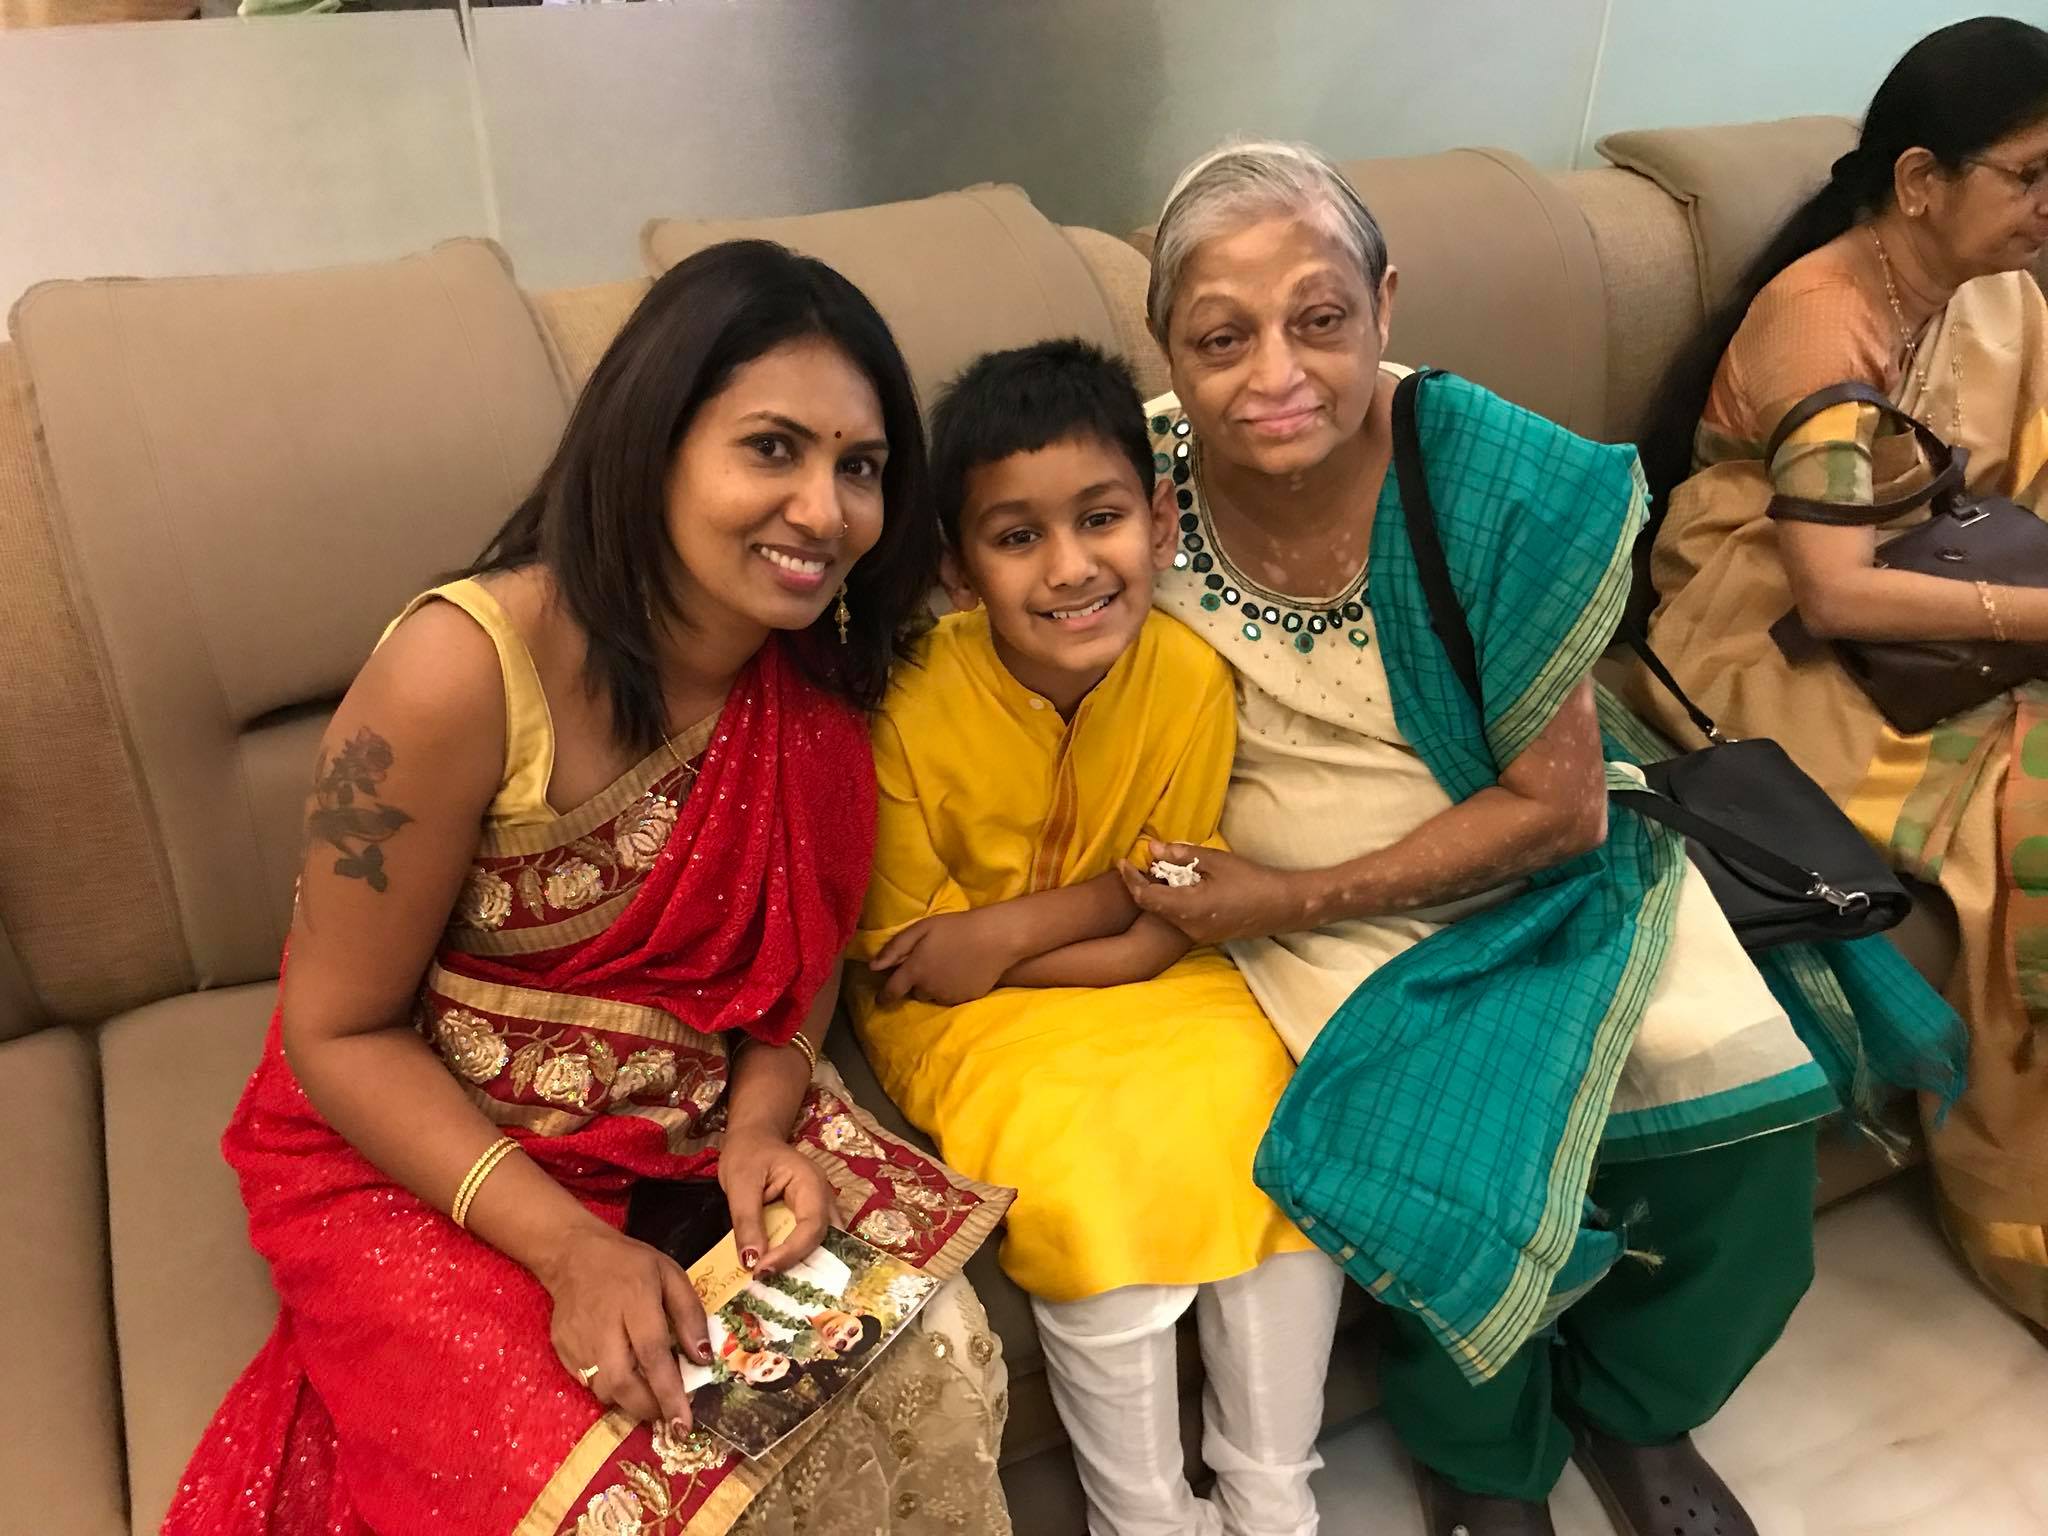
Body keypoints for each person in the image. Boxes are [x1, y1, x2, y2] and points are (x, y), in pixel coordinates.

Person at [1120, 142, 1966, 1536]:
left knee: (1745, 1132)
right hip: (1295, 884)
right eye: (1221, 338)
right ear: (1167, 346)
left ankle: (1633, 1406)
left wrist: (1284, 897)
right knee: (1438, 1148)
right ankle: (1484, 1459)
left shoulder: (1487, 473)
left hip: (1527, 847)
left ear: (1385, 305)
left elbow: (1560, 807)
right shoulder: (1129, 481)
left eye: (1319, 319)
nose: (1274, 373)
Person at [164, 240, 1013, 1536]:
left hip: (684, 1120)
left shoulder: (810, 690)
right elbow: (335, 1033)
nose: (825, 510)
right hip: (423, 1140)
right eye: (772, 449)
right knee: (618, 1503)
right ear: (651, 445)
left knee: (929, 1357)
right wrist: (569, 1250)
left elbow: (794, 971)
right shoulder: (456, 673)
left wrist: (759, 1130)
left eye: (861, 467)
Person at [844, 339, 1345, 1536]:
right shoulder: (901, 706)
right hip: (973, 1025)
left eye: (1100, 519)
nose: (1069, 568)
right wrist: (1102, 927)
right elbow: (919, 959)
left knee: (1288, 1128)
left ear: (1159, 522)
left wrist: (1015, 928)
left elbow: (1175, 899)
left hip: (1168, 980)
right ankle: (1144, 1518)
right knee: (1078, 1178)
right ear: (956, 568)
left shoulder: (1185, 678)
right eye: (1018, 537)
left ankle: (1271, 1499)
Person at [1630, 18, 2048, 1331]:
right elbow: (1833, 590)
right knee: (2027, 814)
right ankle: (2023, 1211)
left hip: (1949, 603)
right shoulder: (1821, 321)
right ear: (1920, 181)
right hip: (1767, 635)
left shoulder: (1997, 298)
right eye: (2029, 176)